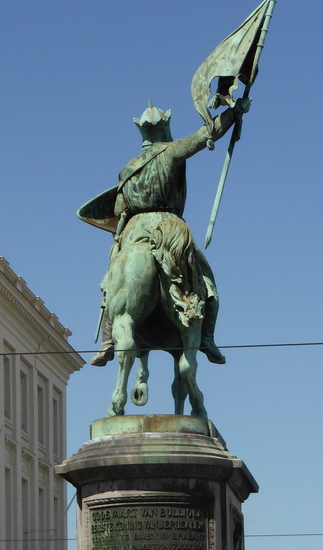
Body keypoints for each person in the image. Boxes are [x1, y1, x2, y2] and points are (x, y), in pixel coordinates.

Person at [82, 99, 249, 367]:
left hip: (133, 232)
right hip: (169, 228)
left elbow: (119, 212)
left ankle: (108, 341)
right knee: (207, 282)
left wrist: (117, 246)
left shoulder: (127, 171)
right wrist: (234, 113)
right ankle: (207, 337)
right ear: (164, 128)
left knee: (109, 285)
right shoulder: (171, 152)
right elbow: (206, 133)